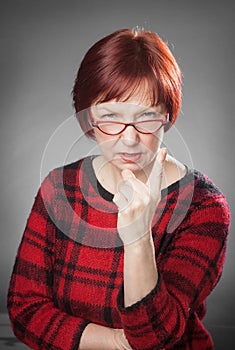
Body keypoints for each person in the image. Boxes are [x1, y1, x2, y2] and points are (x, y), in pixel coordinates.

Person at [7, 27, 230, 350]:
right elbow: (25, 311)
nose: (129, 139)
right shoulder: (59, 188)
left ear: (166, 117)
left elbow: (156, 339)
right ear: (89, 118)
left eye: (146, 118)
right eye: (110, 117)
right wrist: (115, 342)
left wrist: (138, 239)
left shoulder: (202, 207)